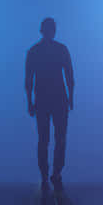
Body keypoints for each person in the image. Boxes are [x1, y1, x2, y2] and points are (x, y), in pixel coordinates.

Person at [25, 17, 74, 190]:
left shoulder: (35, 51)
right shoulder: (56, 50)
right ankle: (50, 174)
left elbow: (69, 74)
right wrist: (71, 97)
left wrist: (29, 101)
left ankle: (51, 173)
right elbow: (29, 78)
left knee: (50, 140)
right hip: (52, 100)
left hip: (50, 100)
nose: (49, 32)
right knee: (50, 139)